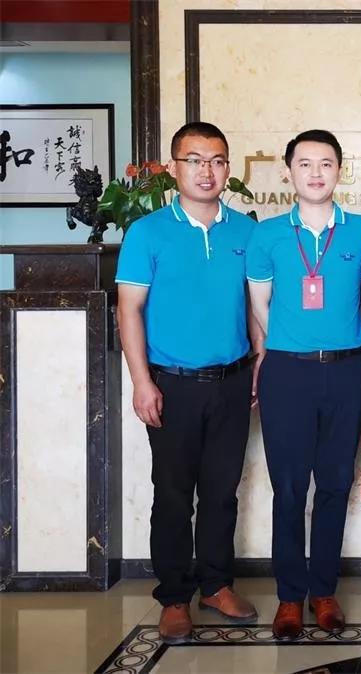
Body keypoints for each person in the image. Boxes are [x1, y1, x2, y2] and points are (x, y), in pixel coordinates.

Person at [116, 121, 262, 644]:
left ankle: (216, 585)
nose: (207, 170)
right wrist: (141, 381)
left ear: (228, 168)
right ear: (174, 167)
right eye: (195, 160)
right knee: (174, 494)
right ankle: (175, 597)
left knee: (222, 492)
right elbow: (129, 309)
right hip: (171, 384)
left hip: (232, 381)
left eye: (217, 161)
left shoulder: (246, 231)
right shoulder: (148, 232)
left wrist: (260, 363)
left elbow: (255, 307)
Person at [246, 130, 361, 640]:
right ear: (289, 172)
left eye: (325, 163)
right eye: (305, 164)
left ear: (340, 170)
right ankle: (289, 596)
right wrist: (289, 340)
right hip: (287, 373)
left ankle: (324, 592)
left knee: (336, 484)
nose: (316, 173)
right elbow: (260, 304)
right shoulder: (268, 235)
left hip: (346, 371)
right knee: (289, 487)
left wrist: (350, 335)